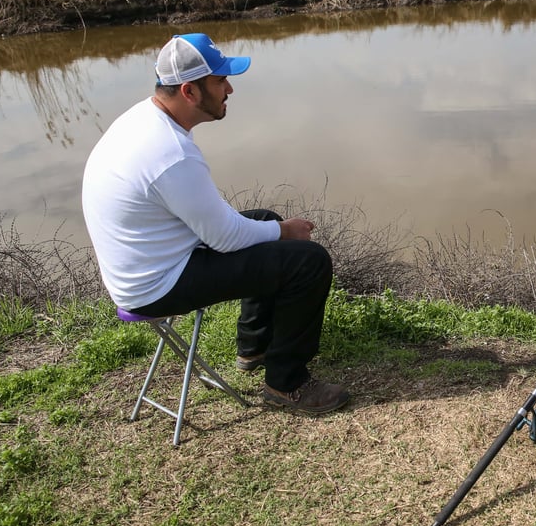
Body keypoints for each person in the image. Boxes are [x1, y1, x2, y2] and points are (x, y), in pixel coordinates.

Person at [81, 32, 349, 414]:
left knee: (265, 221)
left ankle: (255, 346)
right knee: (308, 260)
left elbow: (222, 227)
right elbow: (225, 237)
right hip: (156, 284)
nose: (229, 89)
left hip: (148, 263)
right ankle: (286, 384)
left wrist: (273, 228)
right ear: (190, 91)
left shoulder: (145, 119)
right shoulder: (168, 153)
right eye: (220, 81)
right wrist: (285, 232)